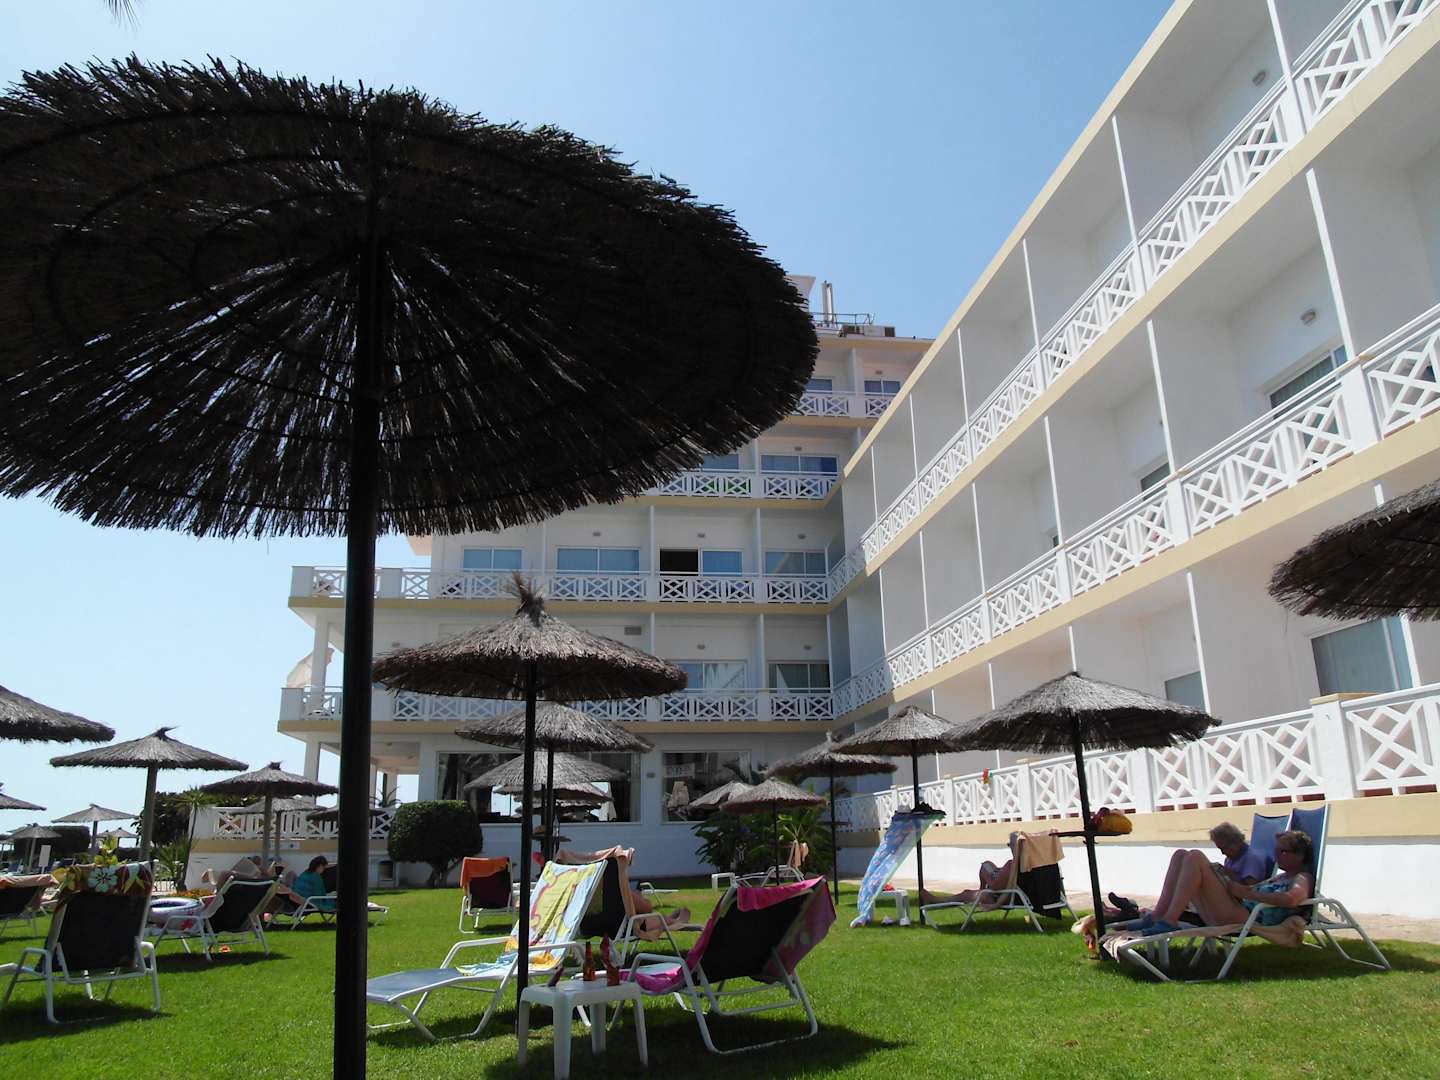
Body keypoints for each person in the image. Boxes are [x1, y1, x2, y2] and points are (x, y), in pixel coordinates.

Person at [1135, 829, 1313, 936]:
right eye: (1276, 850)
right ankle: (1159, 915)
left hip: (1246, 918)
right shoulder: (1280, 877)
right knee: (1181, 855)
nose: (1277, 855)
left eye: (1283, 851)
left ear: (1300, 855)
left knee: (1196, 857)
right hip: (1235, 908)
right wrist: (1228, 880)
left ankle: (1170, 920)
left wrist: (1248, 893)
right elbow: (1248, 889)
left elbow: (1292, 899)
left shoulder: (1303, 878)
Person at [919, 833, 1018, 906]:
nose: (1009, 847)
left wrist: (991, 875)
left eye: (1010, 844)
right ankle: (981, 889)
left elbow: (995, 885)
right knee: (986, 865)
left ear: (1017, 846)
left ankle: (936, 900)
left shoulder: (1011, 865)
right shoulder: (1023, 865)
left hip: (999, 898)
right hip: (1012, 896)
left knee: (967, 894)